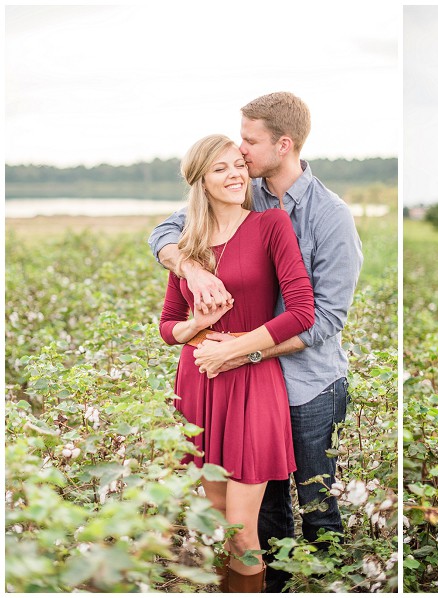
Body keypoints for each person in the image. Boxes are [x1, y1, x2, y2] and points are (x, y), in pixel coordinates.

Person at [149, 92, 363, 592]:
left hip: (306, 385)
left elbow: (323, 318)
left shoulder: (328, 215)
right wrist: (192, 269)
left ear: (282, 144)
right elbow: (166, 232)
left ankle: (327, 585)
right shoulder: (243, 195)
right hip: (231, 382)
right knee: (259, 520)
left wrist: (238, 349)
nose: (240, 155)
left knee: (316, 506)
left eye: (248, 142)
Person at [158, 134, 315, 592]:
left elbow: (302, 311)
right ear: (201, 181)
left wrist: (237, 346)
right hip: (199, 380)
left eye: (238, 165)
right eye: (220, 169)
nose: (235, 175)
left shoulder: (271, 225)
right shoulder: (187, 244)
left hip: (250, 378)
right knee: (212, 527)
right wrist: (195, 325)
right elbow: (168, 326)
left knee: (242, 532)